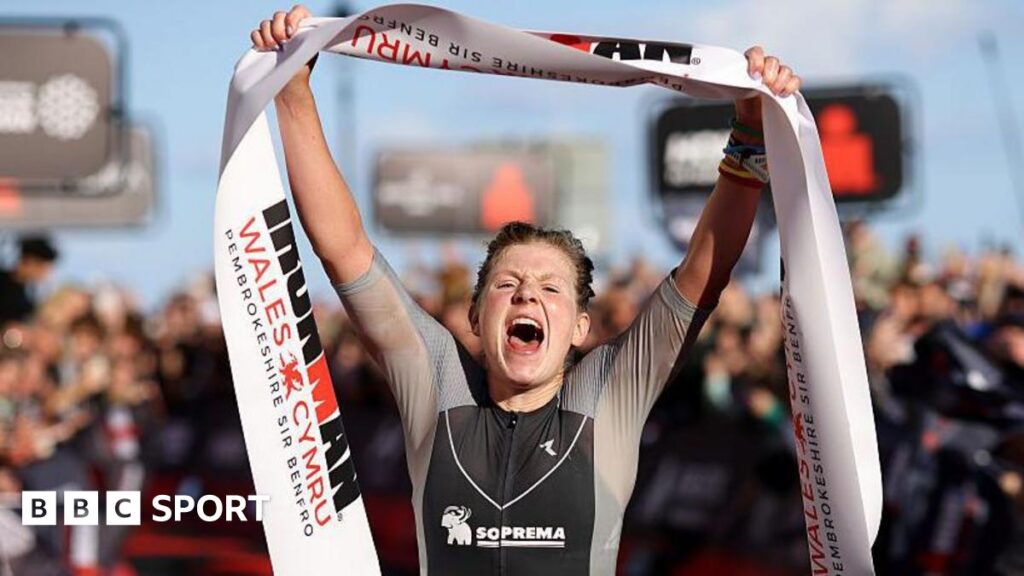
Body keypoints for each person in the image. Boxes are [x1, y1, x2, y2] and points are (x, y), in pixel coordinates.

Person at [251, 7, 801, 575]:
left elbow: (702, 277)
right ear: (475, 315)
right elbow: (345, 251)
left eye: (550, 288)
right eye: (507, 284)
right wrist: (293, 93)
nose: (527, 296)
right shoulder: (438, 388)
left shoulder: (606, 397)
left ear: (581, 327)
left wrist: (750, 133)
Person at [0, 236, 59, 326]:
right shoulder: (6, 286)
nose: (45, 273)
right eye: (42, 266)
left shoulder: (25, 294)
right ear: (28, 261)